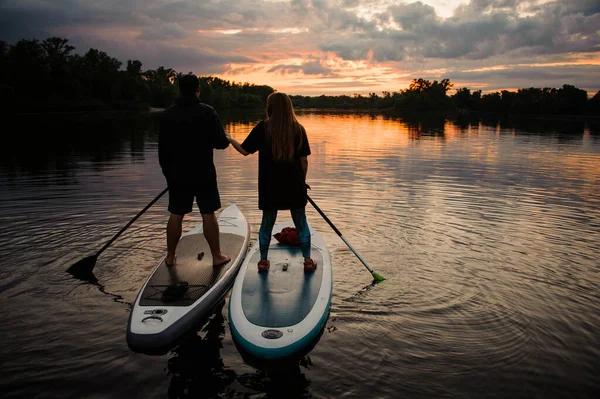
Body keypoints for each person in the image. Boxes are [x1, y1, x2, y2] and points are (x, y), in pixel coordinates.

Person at [227, 92, 316, 272]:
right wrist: (302, 181)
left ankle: (263, 262)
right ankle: (307, 261)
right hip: (294, 186)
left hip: (270, 186)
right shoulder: (298, 129)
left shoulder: (263, 128)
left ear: (270, 107)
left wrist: (229, 139)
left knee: (267, 222)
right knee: (301, 222)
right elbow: (303, 160)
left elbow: (244, 151)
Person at [158, 74, 231, 268]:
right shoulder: (207, 112)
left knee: (176, 213)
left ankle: (170, 256)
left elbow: (162, 150)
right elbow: (220, 143)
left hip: (177, 174)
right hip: (203, 172)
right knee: (208, 213)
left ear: (179, 89)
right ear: (198, 88)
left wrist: (168, 175)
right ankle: (216, 256)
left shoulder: (167, 114)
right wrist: (226, 139)